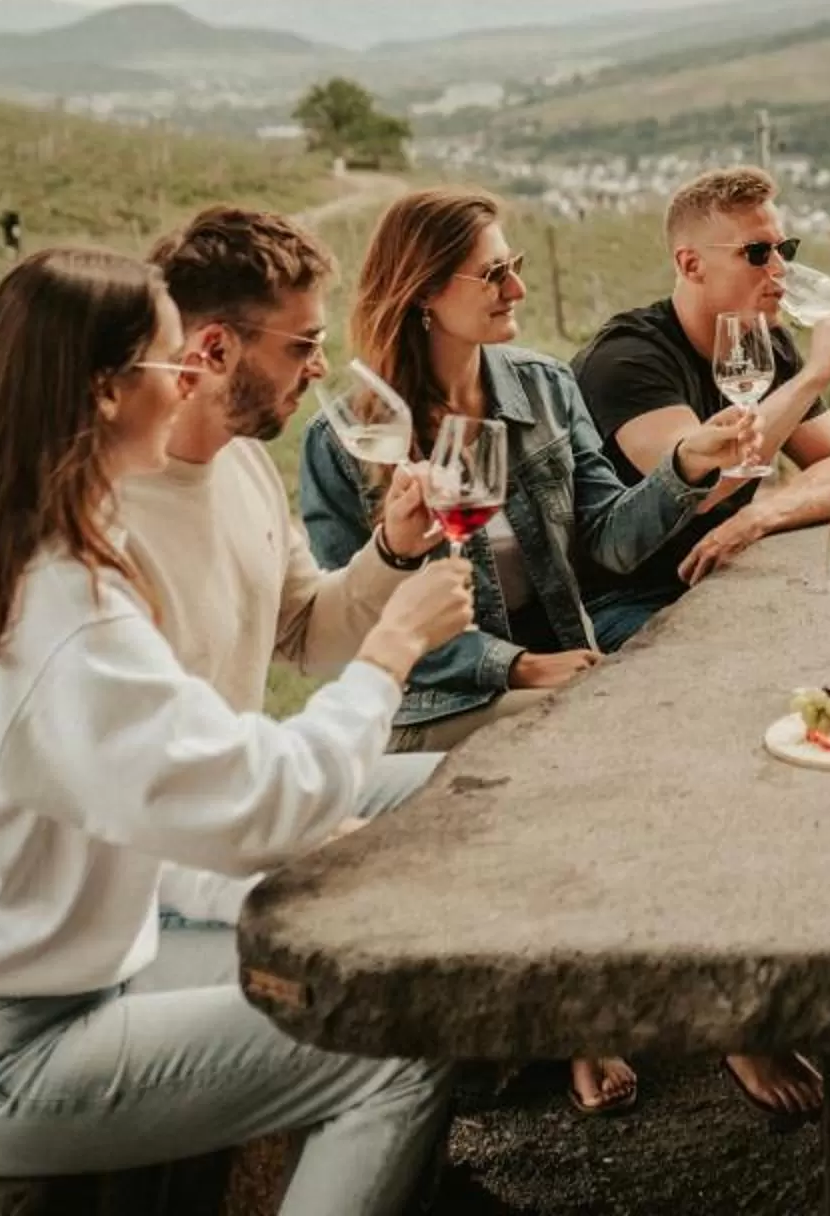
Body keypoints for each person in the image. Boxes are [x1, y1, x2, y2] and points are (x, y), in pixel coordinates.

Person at [0, 247, 480, 1215]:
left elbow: (227, 761)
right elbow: (260, 807)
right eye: (166, 361)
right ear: (107, 390)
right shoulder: (63, 612)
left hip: (89, 965)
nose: (188, 378)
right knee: (392, 1046)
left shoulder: (50, 545)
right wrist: (390, 651)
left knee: (390, 935)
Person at [296, 189, 797, 1121]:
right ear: (423, 293)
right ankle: (647, 1012)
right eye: (493, 273)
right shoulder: (346, 440)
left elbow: (608, 541)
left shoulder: (541, 388)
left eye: (516, 264)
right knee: (623, 744)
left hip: (567, 670)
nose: (516, 287)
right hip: (438, 700)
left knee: (701, 724)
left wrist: (687, 469)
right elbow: (354, 627)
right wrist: (514, 668)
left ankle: (706, 984)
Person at [119, 207, 441, 834]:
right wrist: (312, 839)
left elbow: (305, 632)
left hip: (253, 784)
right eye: (303, 345)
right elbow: (150, 791)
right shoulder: (108, 520)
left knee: (480, 780)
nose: (319, 368)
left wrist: (396, 550)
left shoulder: (244, 462)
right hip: (185, 833)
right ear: (215, 349)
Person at [572, 166, 830, 644]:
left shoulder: (762, 342)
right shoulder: (628, 359)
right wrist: (814, 376)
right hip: (627, 602)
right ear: (691, 265)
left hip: (720, 577)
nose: (779, 270)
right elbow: (694, 492)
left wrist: (758, 516)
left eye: (785, 249)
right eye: (757, 253)